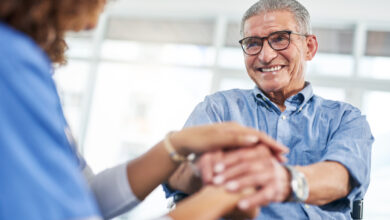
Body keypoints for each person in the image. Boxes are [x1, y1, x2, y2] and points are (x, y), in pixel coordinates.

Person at [0, 0, 290, 219]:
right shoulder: (12, 64)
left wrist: (175, 145)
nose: (89, 25)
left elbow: (84, 196)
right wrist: (228, 193)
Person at [164, 0, 374, 219]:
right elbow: (175, 172)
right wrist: (204, 172)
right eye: (253, 43)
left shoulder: (346, 118)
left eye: (280, 39)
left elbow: (343, 178)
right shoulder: (218, 109)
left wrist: (285, 180)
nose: (265, 55)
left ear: (309, 47)